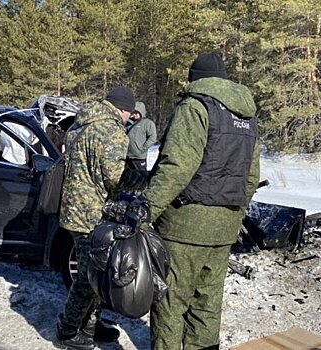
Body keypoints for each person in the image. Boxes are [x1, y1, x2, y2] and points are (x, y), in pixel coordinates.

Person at [134, 53, 260, 349]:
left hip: (184, 227)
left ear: (195, 79)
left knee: (170, 303)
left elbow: (177, 167)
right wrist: (234, 214)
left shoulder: (195, 107)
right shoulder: (247, 116)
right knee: (207, 306)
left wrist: (147, 208)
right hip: (224, 228)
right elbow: (251, 177)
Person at [55, 87, 136, 349]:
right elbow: (116, 178)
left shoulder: (81, 124)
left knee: (95, 273)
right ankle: (67, 330)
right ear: (123, 109)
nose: (129, 120)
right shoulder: (110, 130)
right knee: (89, 278)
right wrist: (144, 179)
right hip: (91, 215)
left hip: (75, 210)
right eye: (130, 114)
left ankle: (89, 325)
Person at [126, 101, 157, 171]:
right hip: (127, 156)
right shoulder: (128, 123)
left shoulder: (148, 123)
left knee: (140, 177)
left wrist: (142, 148)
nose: (135, 114)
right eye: (134, 112)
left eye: (137, 112)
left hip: (139, 157)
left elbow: (152, 138)